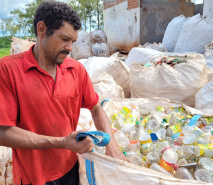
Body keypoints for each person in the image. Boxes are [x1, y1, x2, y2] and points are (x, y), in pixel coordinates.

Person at [0, 1, 127, 185]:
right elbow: (3, 133)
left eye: (73, 41)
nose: (70, 48)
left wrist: (112, 147)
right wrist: (61, 142)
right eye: (65, 39)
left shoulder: (76, 70)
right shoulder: (8, 70)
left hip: (70, 168)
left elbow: (96, 108)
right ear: (42, 29)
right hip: (32, 176)